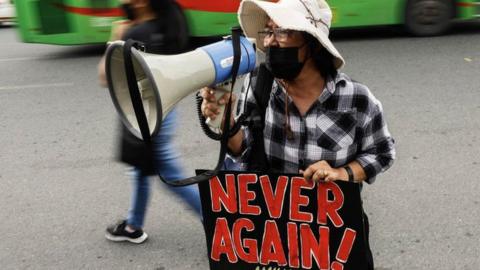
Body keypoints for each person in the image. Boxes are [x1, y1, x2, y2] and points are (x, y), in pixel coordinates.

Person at [200, 0, 395, 268]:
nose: (270, 42)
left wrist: (342, 174)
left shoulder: (356, 99)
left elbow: (382, 153)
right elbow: (244, 150)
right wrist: (224, 120)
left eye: (282, 32)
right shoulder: (258, 86)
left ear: (312, 44)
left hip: (334, 237)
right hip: (275, 237)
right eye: (267, 32)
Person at [98, 0, 201, 244]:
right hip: (164, 107)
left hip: (145, 115)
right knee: (140, 168)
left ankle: (217, 221)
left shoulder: (134, 33)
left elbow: (105, 77)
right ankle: (133, 225)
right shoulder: (169, 24)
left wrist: (115, 39)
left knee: (170, 176)